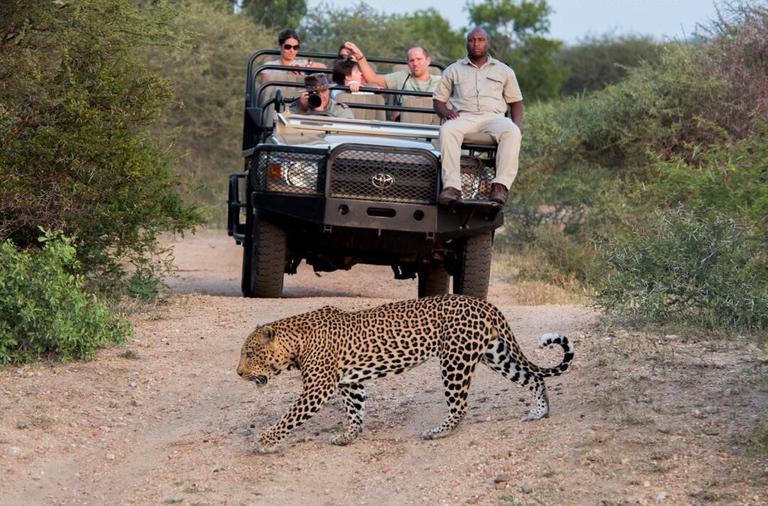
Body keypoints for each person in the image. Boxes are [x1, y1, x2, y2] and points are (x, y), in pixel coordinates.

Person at [433, 28, 524, 206]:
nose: (476, 44)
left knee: (512, 131)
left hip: (494, 117)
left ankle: (500, 186)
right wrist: (445, 112)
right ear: (467, 43)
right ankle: (452, 188)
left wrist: (518, 124)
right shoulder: (453, 70)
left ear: (487, 43)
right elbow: (438, 102)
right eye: (472, 40)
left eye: (481, 40)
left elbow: (516, 103)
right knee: (447, 130)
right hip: (464, 117)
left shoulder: (504, 70)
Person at [342, 42, 441, 119]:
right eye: (412, 60)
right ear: (407, 63)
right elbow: (373, 79)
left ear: (428, 60)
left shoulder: (441, 81)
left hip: (432, 126)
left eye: (419, 59)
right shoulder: (401, 77)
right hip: (406, 127)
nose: (415, 63)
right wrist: (360, 56)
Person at [260, 29, 325, 82]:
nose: (292, 50)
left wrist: (304, 66)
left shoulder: (302, 64)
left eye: (295, 47)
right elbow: (266, 91)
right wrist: (289, 75)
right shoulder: (269, 66)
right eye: (288, 47)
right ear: (280, 46)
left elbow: (323, 67)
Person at [288, 73, 354, 119]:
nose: (320, 95)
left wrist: (320, 113)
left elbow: (342, 134)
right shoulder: (297, 106)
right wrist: (302, 110)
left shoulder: (340, 110)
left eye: (323, 91)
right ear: (306, 93)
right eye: (314, 92)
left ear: (328, 91)